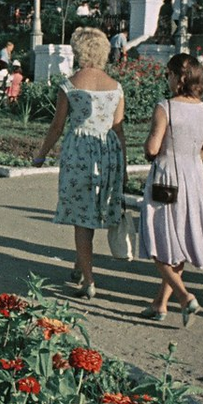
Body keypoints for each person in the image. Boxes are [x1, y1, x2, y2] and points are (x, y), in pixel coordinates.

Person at [31, 27, 125, 298]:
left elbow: (56, 127)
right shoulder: (116, 87)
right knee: (93, 212)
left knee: (81, 218)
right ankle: (80, 265)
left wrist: (41, 154)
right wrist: (124, 167)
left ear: (80, 51)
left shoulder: (70, 85)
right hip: (108, 153)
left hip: (79, 153)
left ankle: (89, 280)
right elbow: (119, 129)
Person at [138, 53, 203, 325]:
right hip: (194, 179)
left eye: (170, 74)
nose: (168, 78)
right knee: (180, 239)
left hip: (166, 177)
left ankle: (185, 296)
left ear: (180, 78)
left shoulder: (166, 107)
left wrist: (154, 151)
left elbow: (152, 147)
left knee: (156, 239)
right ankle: (160, 303)